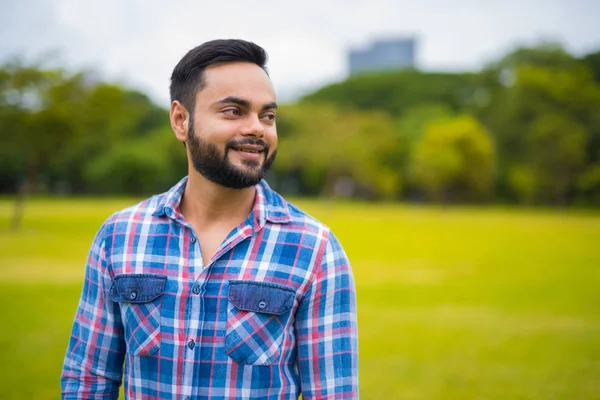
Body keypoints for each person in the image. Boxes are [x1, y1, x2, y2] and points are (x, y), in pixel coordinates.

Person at [61, 39, 359, 399]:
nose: (257, 128)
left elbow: (332, 393)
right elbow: (88, 380)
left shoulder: (315, 249)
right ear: (181, 120)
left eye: (268, 115)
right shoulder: (120, 236)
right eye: (234, 111)